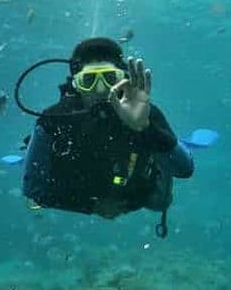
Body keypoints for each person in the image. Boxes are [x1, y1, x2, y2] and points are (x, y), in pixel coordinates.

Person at [20, 37, 193, 237]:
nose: (101, 90)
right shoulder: (53, 121)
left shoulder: (144, 113)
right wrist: (91, 206)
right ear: (75, 84)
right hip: (83, 189)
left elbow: (185, 169)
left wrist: (146, 129)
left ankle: (174, 144)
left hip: (135, 192)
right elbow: (32, 188)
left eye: (110, 79)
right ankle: (29, 150)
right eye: (89, 81)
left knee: (159, 201)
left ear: (123, 79)